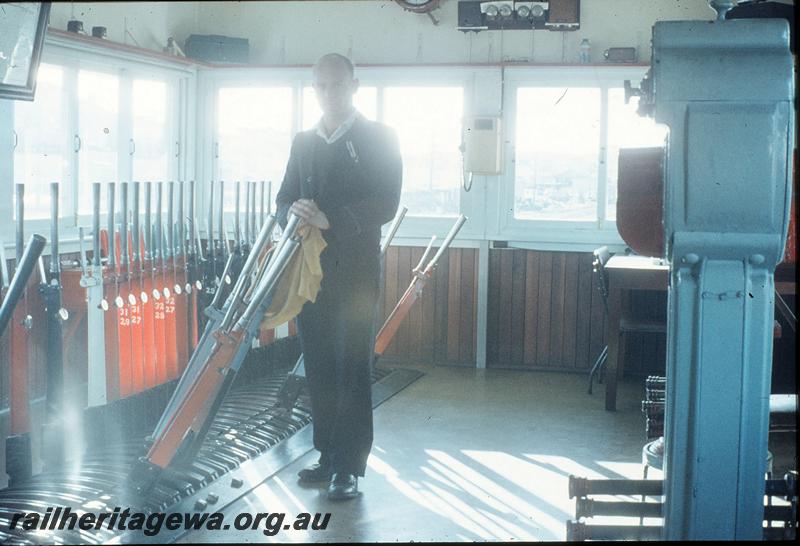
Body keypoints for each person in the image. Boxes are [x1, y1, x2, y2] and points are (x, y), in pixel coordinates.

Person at [275, 53, 402, 501]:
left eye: (338, 85)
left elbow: (386, 202)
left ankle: (348, 467)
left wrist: (333, 220)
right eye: (322, 86)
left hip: (356, 274)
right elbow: (283, 197)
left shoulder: (380, 137)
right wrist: (293, 212)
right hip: (310, 274)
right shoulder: (304, 141)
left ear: (354, 86)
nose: (330, 93)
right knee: (319, 365)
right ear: (314, 90)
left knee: (351, 367)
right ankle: (327, 455)